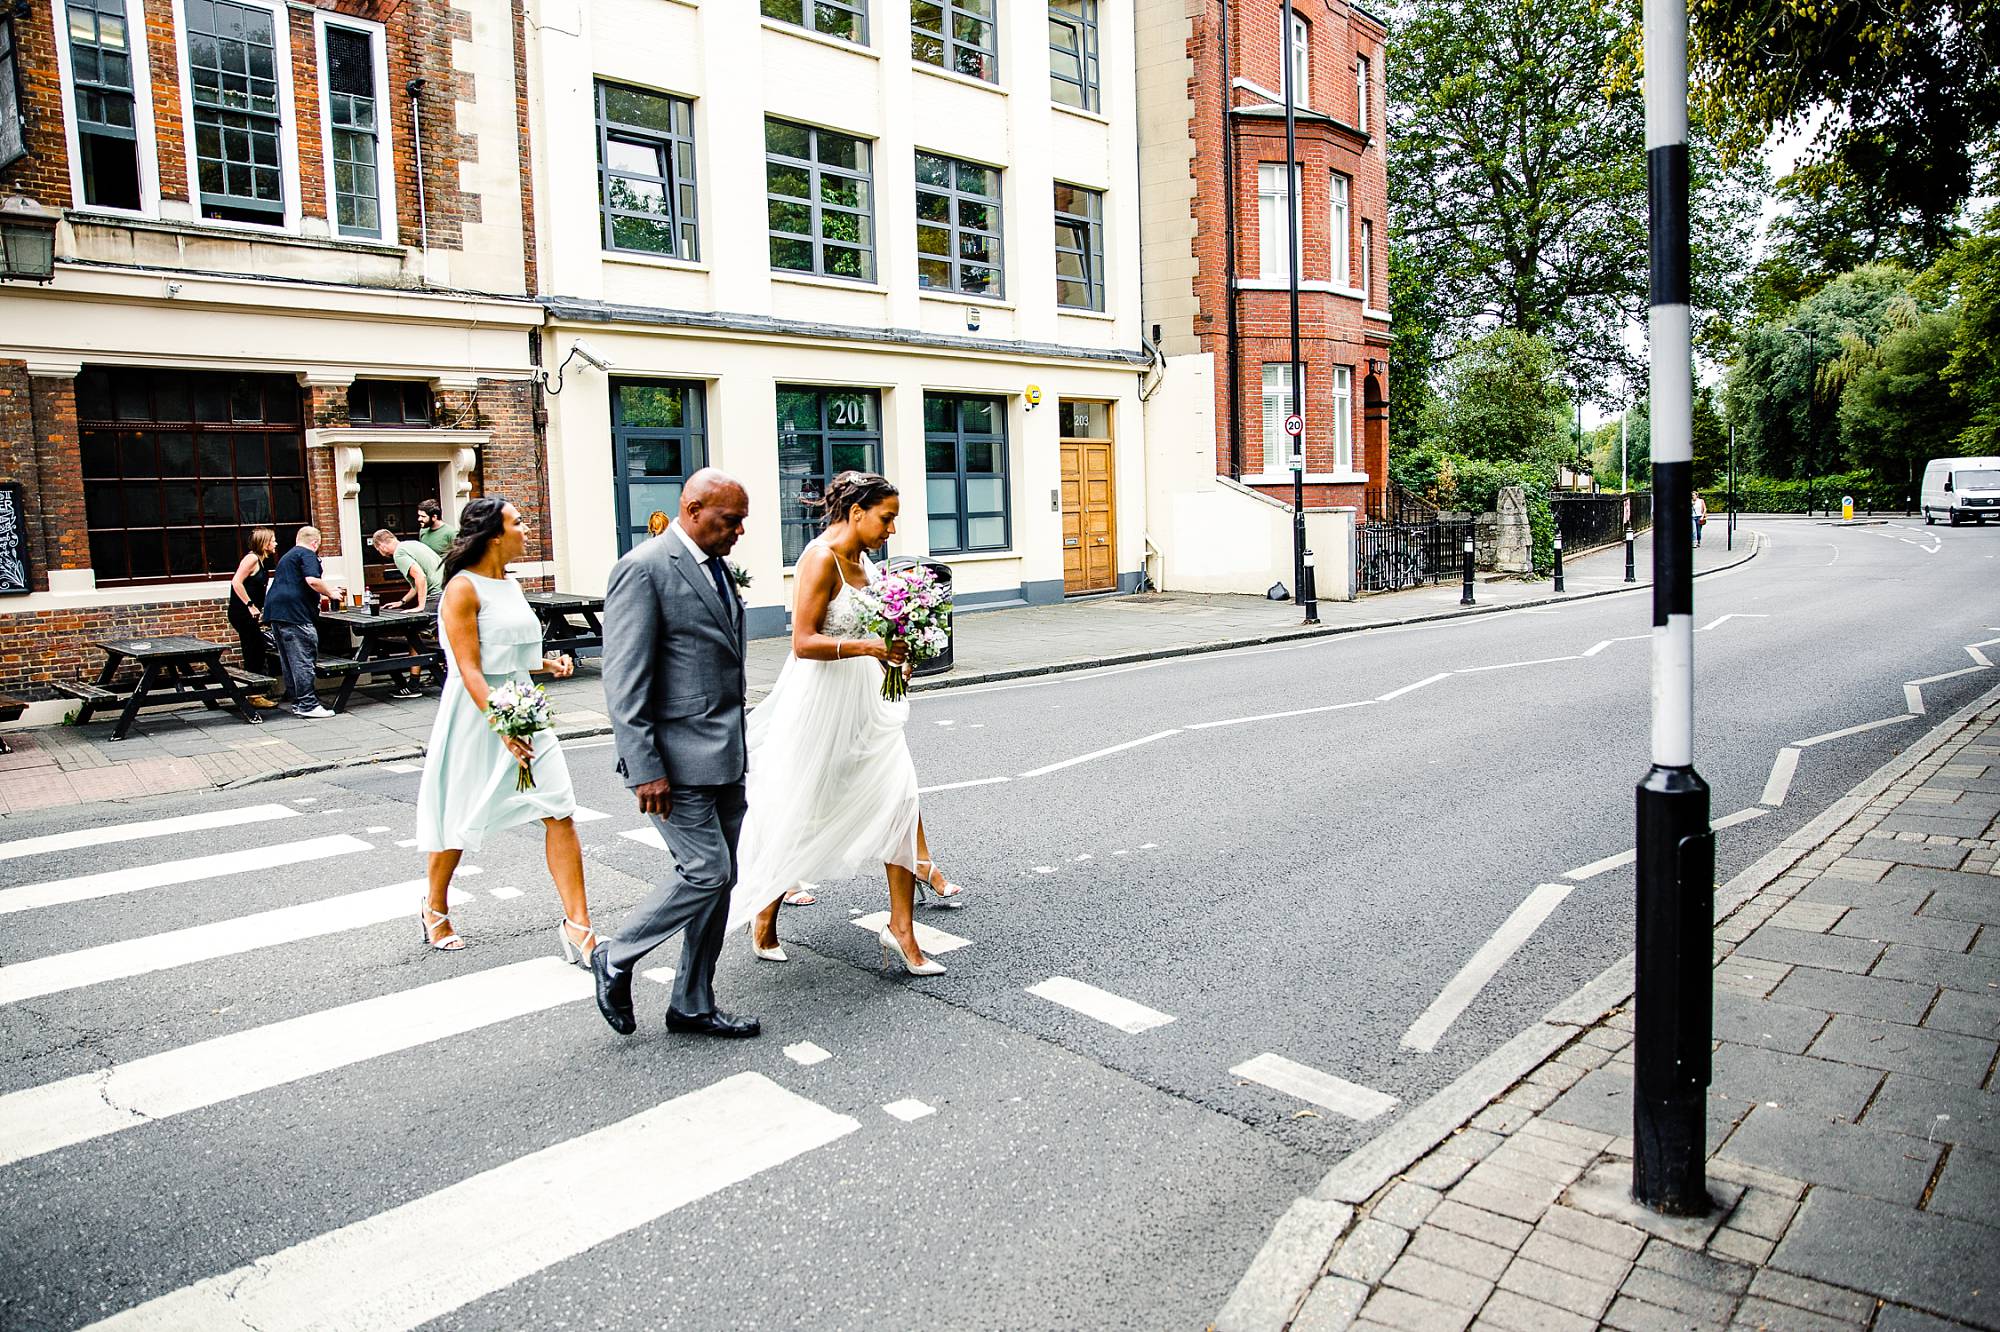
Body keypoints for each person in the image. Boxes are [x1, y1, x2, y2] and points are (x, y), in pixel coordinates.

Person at [734, 471, 967, 977]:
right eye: (887, 518)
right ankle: (765, 912)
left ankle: (902, 928)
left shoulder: (868, 564)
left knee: (901, 801)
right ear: (856, 512)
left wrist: (896, 658)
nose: (891, 530)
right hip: (821, 701)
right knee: (803, 807)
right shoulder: (820, 560)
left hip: (868, 702)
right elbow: (803, 642)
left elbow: (877, 630)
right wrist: (869, 647)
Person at [592, 469, 761, 1040]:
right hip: (673, 761)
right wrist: (645, 768)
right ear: (692, 508)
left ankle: (691, 1002)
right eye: (729, 519)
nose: (739, 530)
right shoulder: (643, 569)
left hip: (725, 754)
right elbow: (624, 680)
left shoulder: (716, 568)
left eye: (741, 520)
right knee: (706, 871)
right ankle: (615, 954)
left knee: (723, 878)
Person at [414, 496, 595, 958]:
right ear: (495, 534)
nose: (526, 529)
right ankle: (434, 906)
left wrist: (545, 664)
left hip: (526, 709)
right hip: (477, 716)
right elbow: (471, 669)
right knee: (461, 813)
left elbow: (511, 656)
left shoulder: (510, 586)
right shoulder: (462, 589)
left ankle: (579, 925)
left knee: (559, 807)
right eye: (518, 523)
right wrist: (501, 727)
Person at [261, 526, 342, 719]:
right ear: (315, 543)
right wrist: (331, 593)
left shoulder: (287, 556)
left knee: (289, 661)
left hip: (277, 613)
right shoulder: (307, 554)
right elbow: (312, 580)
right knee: (303, 660)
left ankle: (298, 702)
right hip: (296, 614)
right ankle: (308, 704)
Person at [227, 527, 280, 708]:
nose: (276, 543)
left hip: (249, 613)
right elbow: (236, 582)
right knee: (253, 650)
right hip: (242, 613)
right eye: (273, 540)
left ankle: (256, 692)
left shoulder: (262, 561)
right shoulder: (251, 559)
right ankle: (254, 695)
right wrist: (250, 605)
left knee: (256, 649)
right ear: (264, 543)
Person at [371, 528, 443, 610]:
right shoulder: (413, 544)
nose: (381, 553)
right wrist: (402, 601)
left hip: (435, 596)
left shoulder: (399, 553)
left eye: (378, 550)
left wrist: (421, 606)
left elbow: (420, 577)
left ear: (382, 546)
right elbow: (417, 584)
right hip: (447, 591)